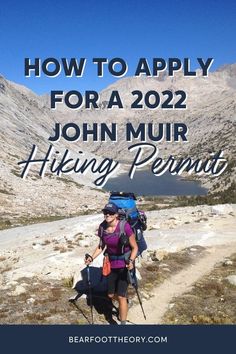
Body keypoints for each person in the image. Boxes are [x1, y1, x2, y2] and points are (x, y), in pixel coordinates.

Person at [85, 202, 138, 325]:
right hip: (111, 265)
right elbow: (101, 246)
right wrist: (91, 258)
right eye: (105, 212)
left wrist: (131, 261)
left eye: (110, 213)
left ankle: (122, 322)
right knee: (110, 294)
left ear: (116, 214)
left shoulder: (125, 227)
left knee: (120, 296)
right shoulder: (102, 227)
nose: (107, 215)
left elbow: (134, 247)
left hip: (124, 265)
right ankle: (123, 301)